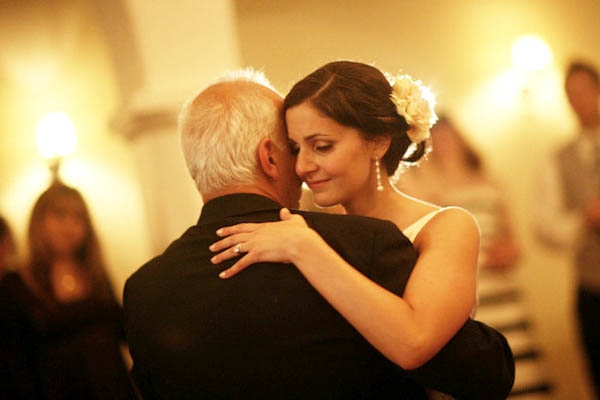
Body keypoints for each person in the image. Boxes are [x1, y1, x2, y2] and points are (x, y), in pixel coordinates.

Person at [124, 68, 514, 399]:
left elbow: (420, 345)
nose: (303, 166)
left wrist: (304, 247)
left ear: (378, 142)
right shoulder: (310, 230)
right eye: (295, 148)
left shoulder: (442, 225)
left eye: (321, 146)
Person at [402, 115, 553, 397]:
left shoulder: (490, 180)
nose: (444, 142)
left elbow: (514, 242)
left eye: (449, 135)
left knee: (522, 368)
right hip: (461, 290)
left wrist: (508, 252)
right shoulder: (420, 185)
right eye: (436, 137)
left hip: (501, 288)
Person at [17, 183, 137, 399]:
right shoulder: (19, 283)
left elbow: (124, 331)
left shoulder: (95, 275)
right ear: (39, 220)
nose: (69, 227)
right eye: (59, 215)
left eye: (78, 218)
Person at [532, 60, 600, 398]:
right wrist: (584, 219)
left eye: (586, 90)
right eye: (572, 94)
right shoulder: (556, 159)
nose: (580, 100)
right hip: (592, 289)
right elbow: (544, 225)